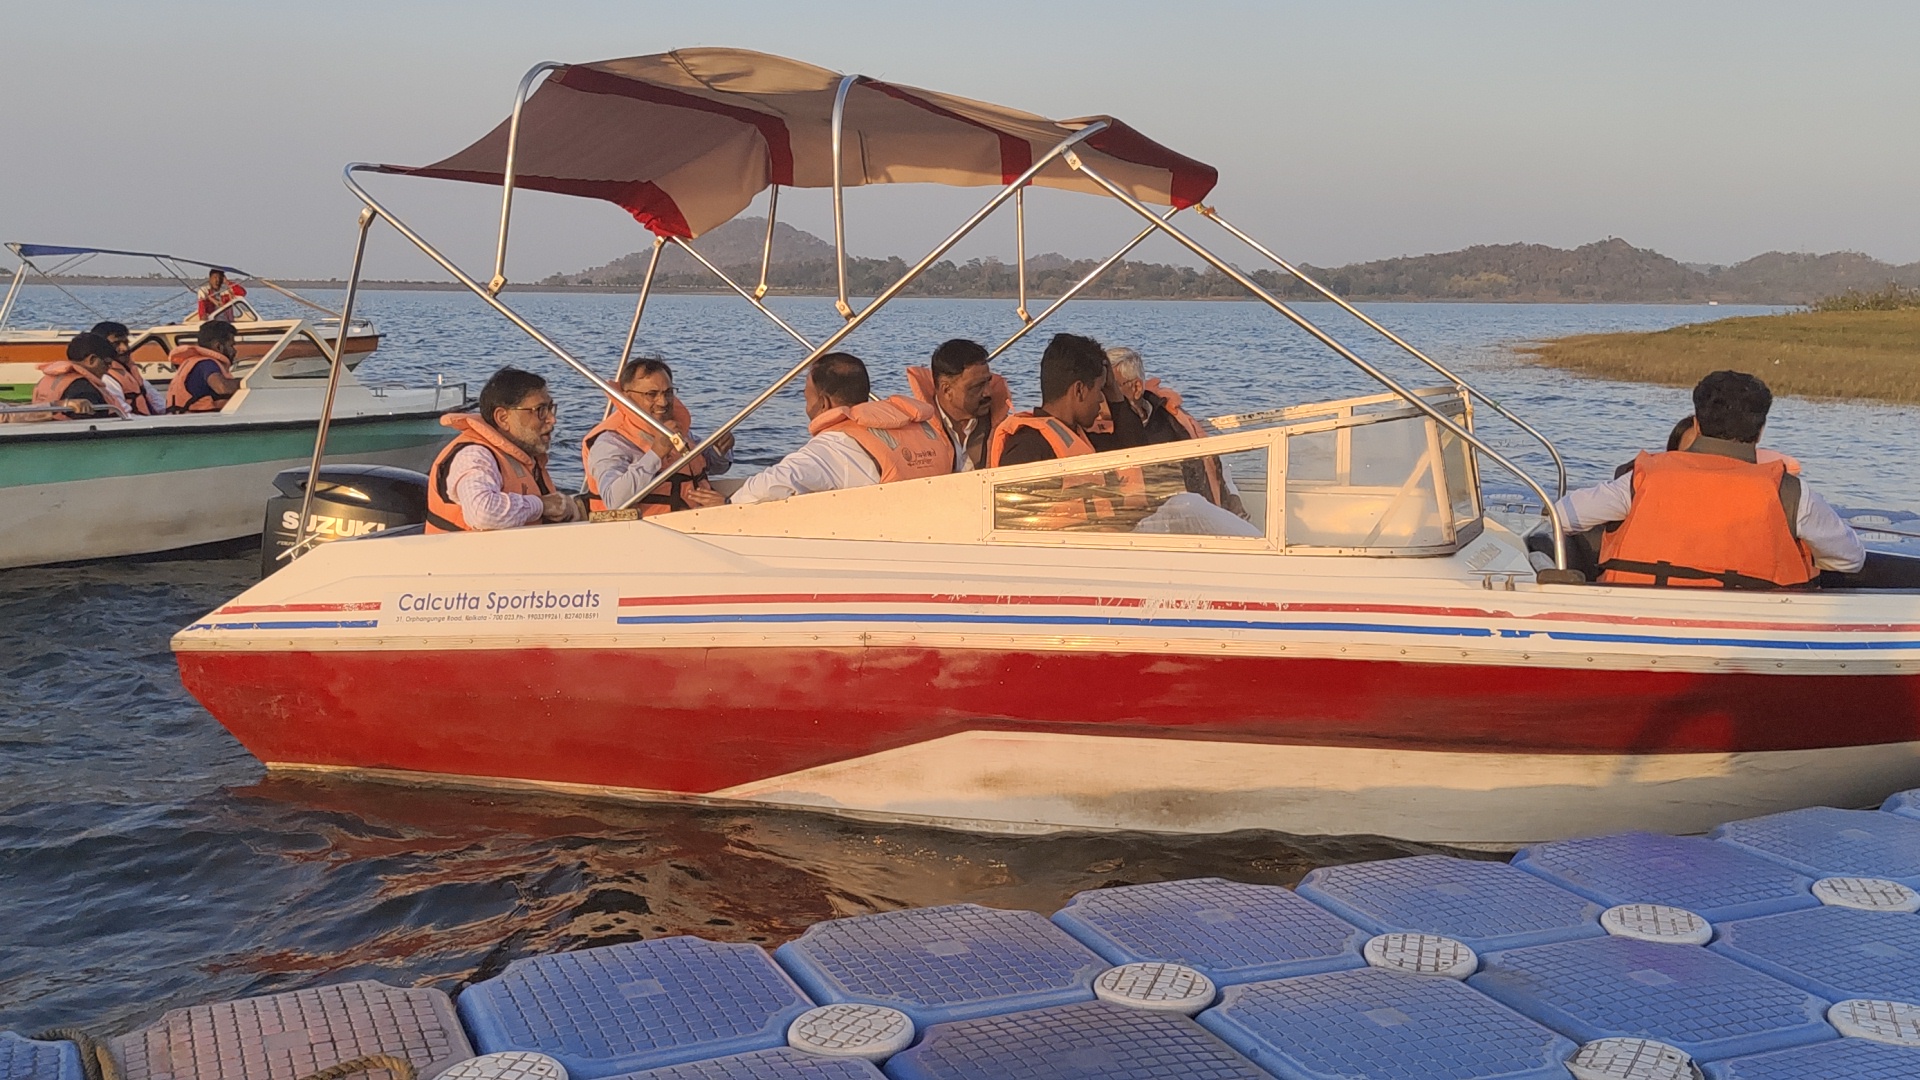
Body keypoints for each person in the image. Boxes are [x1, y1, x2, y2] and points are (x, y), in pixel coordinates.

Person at [1556, 370, 1864, 587]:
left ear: (1697, 425)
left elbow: (1560, 518)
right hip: (1755, 629)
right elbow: (1849, 561)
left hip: (1644, 619)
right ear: (1760, 431)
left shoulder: (1640, 480)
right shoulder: (1791, 493)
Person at [730, 352, 955, 505]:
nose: (806, 405)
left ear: (824, 403)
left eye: (807, 397)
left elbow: (770, 487)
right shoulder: (924, 430)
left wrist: (727, 504)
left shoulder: (835, 445)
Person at [425, 367, 584, 533]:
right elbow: (482, 513)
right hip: (467, 557)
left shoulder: (523, 456)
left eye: (550, 408)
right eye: (540, 410)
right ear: (502, 418)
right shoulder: (474, 456)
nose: (552, 419)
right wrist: (541, 505)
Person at [1102, 346, 1244, 515]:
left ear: (1136, 388)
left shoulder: (1172, 420)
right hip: (1134, 522)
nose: (1100, 396)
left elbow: (1212, 464)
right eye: (1097, 388)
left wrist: (1233, 505)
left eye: (1109, 388)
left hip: (1188, 512)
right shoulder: (1097, 433)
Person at [582, 357, 732, 515]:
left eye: (668, 393)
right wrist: (656, 453)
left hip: (697, 521)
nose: (663, 402)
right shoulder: (611, 443)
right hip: (647, 532)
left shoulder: (679, 432)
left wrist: (720, 449)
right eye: (651, 394)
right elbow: (613, 500)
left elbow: (715, 467)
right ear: (627, 397)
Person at [989, 333, 1148, 467]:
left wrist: (1115, 392)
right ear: (1079, 390)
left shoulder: (1081, 439)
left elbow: (1135, 451)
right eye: (1100, 389)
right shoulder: (1028, 449)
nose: (1101, 399)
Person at [905, 338, 1011, 471]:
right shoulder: (913, 433)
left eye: (987, 382)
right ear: (947, 390)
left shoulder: (1004, 429)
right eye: (977, 386)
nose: (988, 392)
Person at [29, 333, 128, 420]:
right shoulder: (84, 390)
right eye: (107, 363)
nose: (109, 368)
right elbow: (93, 426)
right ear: (92, 360)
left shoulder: (49, 379)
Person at [166, 319, 242, 413]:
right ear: (218, 346)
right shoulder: (206, 364)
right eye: (231, 345)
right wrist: (249, 383)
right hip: (198, 421)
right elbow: (222, 387)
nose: (234, 351)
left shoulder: (195, 362)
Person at [91, 320, 164, 416]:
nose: (124, 348)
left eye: (126, 342)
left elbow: (158, 402)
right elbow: (123, 414)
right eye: (116, 344)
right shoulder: (105, 378)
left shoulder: (131, 372)